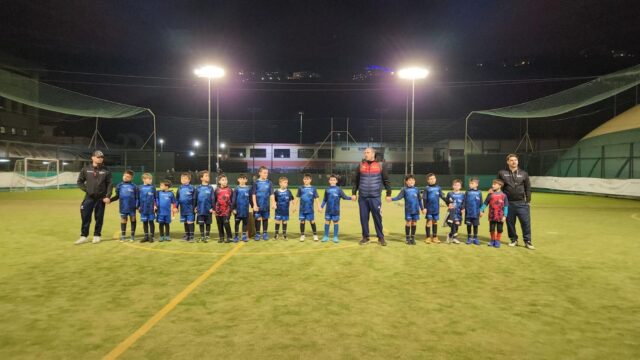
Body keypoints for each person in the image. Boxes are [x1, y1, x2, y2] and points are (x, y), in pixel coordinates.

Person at [352, 147, 392, 246]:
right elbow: (356, 180)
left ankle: (381, 237)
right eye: (365, 152)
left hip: (375, 197)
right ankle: (365, 237)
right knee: (363, 218)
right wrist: (353, 193)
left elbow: (386, 180)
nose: (365, 154)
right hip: (363, 197)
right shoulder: (361, 165)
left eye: (368, 152)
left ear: (373, 154)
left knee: (377, 217)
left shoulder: (381, 165)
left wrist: (388, 193)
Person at [75, 150, 113, 245]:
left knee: (99, 217)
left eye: (101, 157)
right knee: (85, 216)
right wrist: (88, 190)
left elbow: (110, 184)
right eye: (98, 157)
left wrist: (108, 196)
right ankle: (84, 236)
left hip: (101, 198)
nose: (100, 158)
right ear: (92, 158)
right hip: (89, 197)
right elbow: (79, 182)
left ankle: (97, 235)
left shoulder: (106, 170)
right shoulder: (86, 169)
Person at [497, 154, 534, 249]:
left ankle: (528, 241)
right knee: (510, 223)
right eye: (512, 160)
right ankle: (513, 240)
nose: (514, 162)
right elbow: (498, 186)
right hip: (508, 203)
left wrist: (528, 200)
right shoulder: (502, 173)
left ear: (518, 161)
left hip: (522, 203)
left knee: (525, 223)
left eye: (515, 160)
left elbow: (528, 188)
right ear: (508, 162)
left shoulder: (524, 173)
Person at [388, 174, 424, 245]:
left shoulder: (416, 189)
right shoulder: (404, 189)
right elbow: (399, 197)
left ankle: (412, 238)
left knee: (414, 223)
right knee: (408, 223)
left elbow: (419, 200)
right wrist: (391, 199)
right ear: (406, 182)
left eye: (412, 180)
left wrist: (422, 209)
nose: (411, 181)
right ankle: (408, 238)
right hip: (408, 210)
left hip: (416, 210)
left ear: (414, 181)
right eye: (409, 180)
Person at [321, 174, 353, 243]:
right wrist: (321, 207)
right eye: (331, 180)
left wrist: (351, 198)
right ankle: (326, 236)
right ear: (329, 181)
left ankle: (335, 237)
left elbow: (344, 197)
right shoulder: (327, 190)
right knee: (327, 222)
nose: (332, 181)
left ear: (336, 181)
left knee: (335, 222)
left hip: (336, 210)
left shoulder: (339, 189)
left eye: (334, 180)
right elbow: (324, 199)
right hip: (328, 210)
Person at [110, 169, 139, 242]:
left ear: (131, 178)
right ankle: (123, 236)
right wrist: (110, 200)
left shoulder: (134, 186)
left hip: (132, 208)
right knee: (123, 220)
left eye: (128, 176)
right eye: (124, 176)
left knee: (133, 220)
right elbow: (117, 196)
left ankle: (132, 236)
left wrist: (137, 206)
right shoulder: (119, 185)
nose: (125, 177)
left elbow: (137, 198)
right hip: (123, 207)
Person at [480, 179, 509, 248]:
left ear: (500, 186)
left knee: (499, 229)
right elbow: (485, 203)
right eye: (492, 184)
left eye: (494, 184)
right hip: (492, 215)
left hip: (500, 216)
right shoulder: (490, 194)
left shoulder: (504, 195)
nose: (492, 185)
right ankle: (492, 240)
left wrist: (505, 216)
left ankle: (497, 241)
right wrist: (481, 210)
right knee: (492, 228)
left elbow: (506, 206)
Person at [422, 173, 447, 244]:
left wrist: (448, 202)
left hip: (436, 208)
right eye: (431, 179)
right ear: (428, 180)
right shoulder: (426, 188)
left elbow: (443, 196)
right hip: (429, 209)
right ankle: (427, 237)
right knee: (429, 222)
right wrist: (425, 208)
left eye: (434, 178)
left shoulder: (438, 188)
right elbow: (424, 199)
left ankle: (435, 237)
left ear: (435, 179)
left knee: (435, 222)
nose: (433, 180)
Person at [296, 173, 321, 241]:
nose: (306, 180)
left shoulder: (313, 188)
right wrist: (294, 206)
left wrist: (319, 207)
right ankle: (302, 235)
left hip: (310, 209)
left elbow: (316, 198)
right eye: (304, 179)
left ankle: (315, 235)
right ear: (303, 180)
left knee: (312, 221)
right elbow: (297, 197)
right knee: (302, 222)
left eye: (307, 179)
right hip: (302, 209)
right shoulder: (300, 188)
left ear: (310, 180)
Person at [252, 166, 274, 241]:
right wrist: (254, 204)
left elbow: (271, 194)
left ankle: (265, 233)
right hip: (257, 205)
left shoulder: (269, 182)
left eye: (267, 173)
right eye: (264, 173)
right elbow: (253, 194)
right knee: (257, 218)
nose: (266, 174)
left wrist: (273, 203)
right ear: (260, 173)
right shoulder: (256, 182)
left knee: (265, 218)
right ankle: (257, 233)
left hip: (266, 205)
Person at [195, 171, 215, 243]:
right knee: (201, 223)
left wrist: (213, 208)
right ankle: (202, 236)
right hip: (200, 209)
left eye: (208, 176)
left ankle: (207, 235)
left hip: (208, 209)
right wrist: (195, 207)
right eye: (206, 176)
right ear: (201, 178)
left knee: (208, 223)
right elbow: (195, 198)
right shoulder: (198, 188)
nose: (208, 177)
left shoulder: (210, 188)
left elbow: (213, 198)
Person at [176, 172, 196, 242]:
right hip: (183, 209)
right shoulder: (180, 188)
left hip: (190, 208)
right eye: (182, 178)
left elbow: (194, 199)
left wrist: (195, 207)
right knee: (185, 222)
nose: (183, 180)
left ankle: (192, 236)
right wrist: (176, 207)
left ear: (189, 180)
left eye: (185, 178)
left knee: (190, 222)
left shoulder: (192, 188)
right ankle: (187, 235)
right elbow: (177, 199)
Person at [214, 174, 234, 243]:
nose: (225, 181)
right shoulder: (217, 190)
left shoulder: (230, 190)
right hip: (218, 210)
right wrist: (214, 209)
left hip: (227, 210)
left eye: (226, 180)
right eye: (223, 180)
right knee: (219, 224)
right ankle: (221, 237)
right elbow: (214, 200)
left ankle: (229, 237)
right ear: (219, 181)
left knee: (226, 223)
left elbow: (232, 200)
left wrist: (232, 209)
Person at [232, 173, 251, 242]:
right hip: (238, 210)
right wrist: (233, 209)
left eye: (244, 179)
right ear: (238, 180)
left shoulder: (248, 189)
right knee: (237, 223)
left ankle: (244, 236)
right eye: (241, 179)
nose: (242, 180)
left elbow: (251, 199)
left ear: (246, 180)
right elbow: (233, 199)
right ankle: (236, 236)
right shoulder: (236, 189)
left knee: (245, 223)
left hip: (245, 210)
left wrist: (253, 206)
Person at [445, 179, 465, 244]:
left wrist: (463, 208)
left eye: (458, 185)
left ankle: (451, 236)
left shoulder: (462, 194)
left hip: (458, 213)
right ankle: (454, 237)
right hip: (451, 213)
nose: (456, 186)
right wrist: (448, 204)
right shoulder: (449, 194)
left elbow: (463, 203)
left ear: (460, 186)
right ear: (453, 186)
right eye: (455, 185)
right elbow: (447, 201)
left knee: (456, 225)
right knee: (452, 224)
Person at [138, 173, 157, 243]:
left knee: (151, 222)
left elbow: (155, 198)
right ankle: (146, 236)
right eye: (149, 179)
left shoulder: (153, 187)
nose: (150, 180)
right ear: (144, 179)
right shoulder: (139, 187)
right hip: (143, 208)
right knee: (145, 222)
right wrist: (138, 206)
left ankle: (151, 236)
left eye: (151, 179)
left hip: (151, 208)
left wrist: (155, 205)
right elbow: (138, 198)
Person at [463, 177, 482, 245]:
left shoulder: (479, 192)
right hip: (468, 213)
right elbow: (464, 201)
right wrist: (463, 208)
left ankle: (475, 238)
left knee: (475, 225)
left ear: (477, 184)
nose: (470, 185)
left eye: (472, 183)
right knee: (468, 225)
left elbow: (481, 203)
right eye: (470, 183)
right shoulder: (467, 192)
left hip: (476, 212)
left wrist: (481, 211)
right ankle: (469, 238)